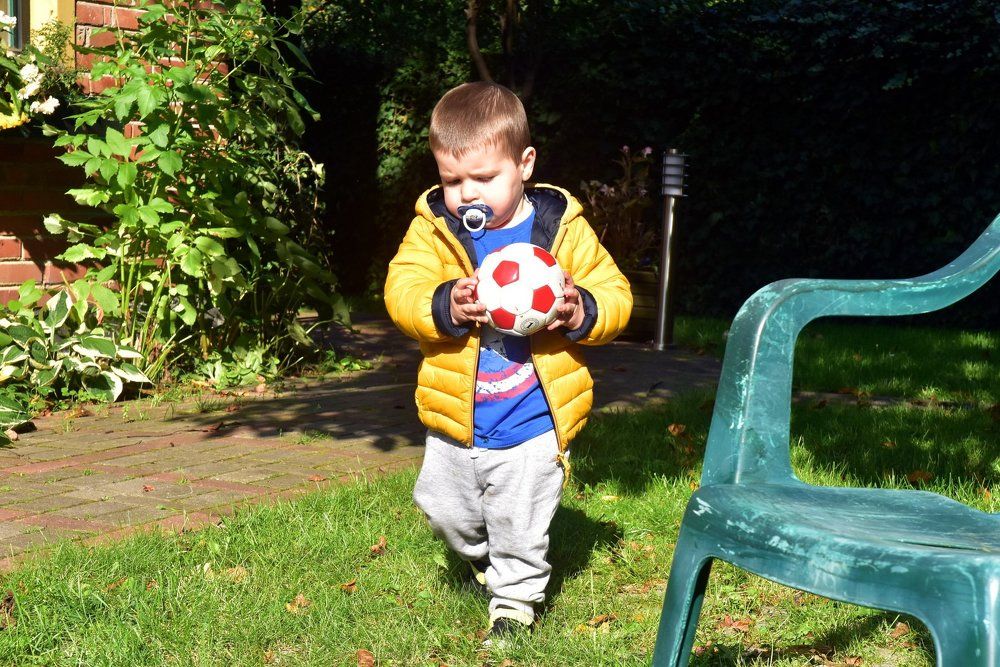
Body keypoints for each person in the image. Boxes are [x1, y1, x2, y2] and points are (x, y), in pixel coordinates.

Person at [384, 81, 632, 644]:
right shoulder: (434, 229)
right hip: (458, 416)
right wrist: (445, 301)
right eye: (452, 181)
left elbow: (615, 293)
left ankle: (515, 601)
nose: (467, 194)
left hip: (532, 416)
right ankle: (483, 556)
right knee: (444, 509)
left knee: (519, 516)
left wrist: (579, 310)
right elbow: (402, 290)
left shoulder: (561, 228)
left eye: (484, 178)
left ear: (525, 164)